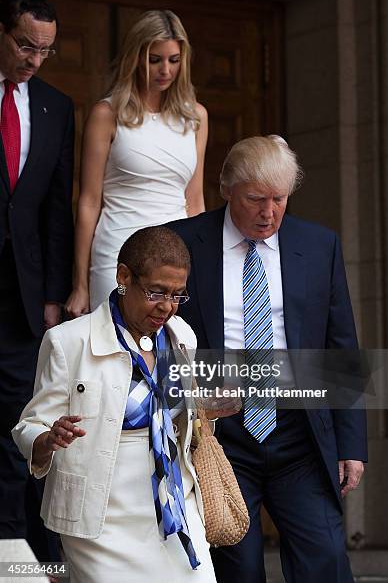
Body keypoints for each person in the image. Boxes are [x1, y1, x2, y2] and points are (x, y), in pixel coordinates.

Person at [167, 135, 368, 583]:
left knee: (326, 558)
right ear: (226, 190)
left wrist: (351, 443)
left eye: (279, 199)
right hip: (221, 436)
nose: (269, 212)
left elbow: (341, 347)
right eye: (256, 199)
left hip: (299, 434)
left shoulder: (319, 246)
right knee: (236, 567)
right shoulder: (183, 244)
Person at [12, 226, 238, 583]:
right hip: (98, 518)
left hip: (173, 506)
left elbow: (180, 415)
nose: (167, 307)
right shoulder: (68, 341)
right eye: (156, 292)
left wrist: (209, 406)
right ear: (123, 277)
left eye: (178, 295)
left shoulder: (183, 336)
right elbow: (30, 426)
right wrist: (48, 439)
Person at [66, 9, 208, 316]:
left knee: (173, 356)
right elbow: (89, 202)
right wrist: (80, 284)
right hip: (118, 255)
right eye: (155, 59)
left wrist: (204, 267)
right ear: (136, 56)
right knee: (113, 353)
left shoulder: (196, 117)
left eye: (174, 60)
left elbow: (194, 200)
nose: (165, 70)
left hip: (177, 257)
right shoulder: (107, 114)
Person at [0, 0, 74, 555]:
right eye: (26, 45)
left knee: (15, 430)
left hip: (22, 299)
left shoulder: (55, 105)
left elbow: (55, 208)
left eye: (44, 50)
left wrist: (53, 295)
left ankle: (13, 556)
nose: (34, 59)